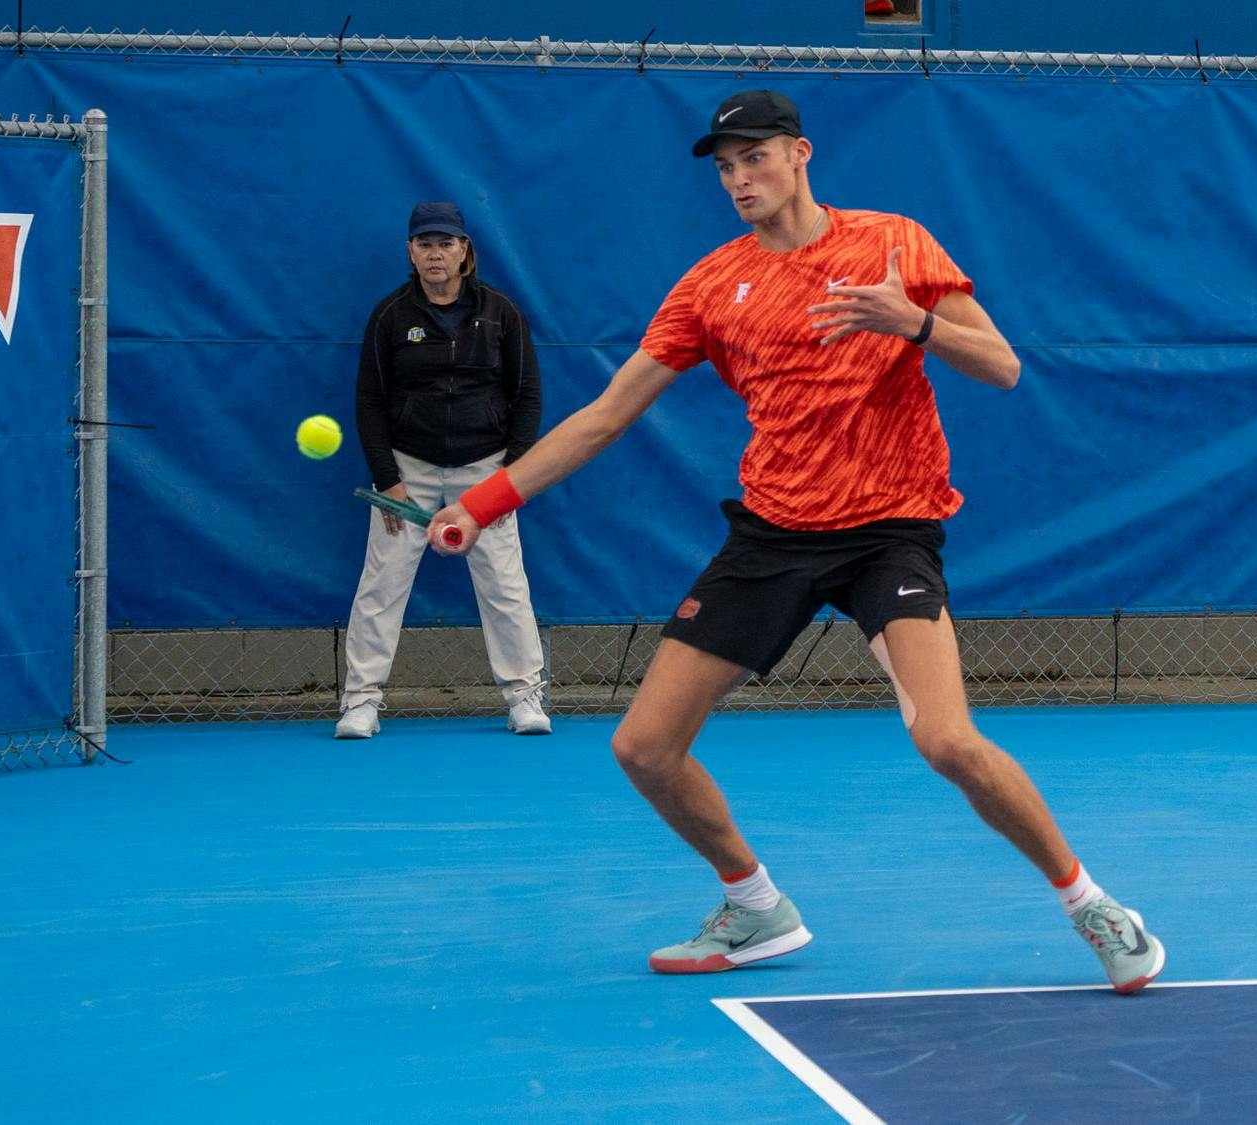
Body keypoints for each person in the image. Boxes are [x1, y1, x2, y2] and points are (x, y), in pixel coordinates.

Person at [426, 91, 1165, 993]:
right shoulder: (710, 285)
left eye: (756, 158)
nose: (739, 180)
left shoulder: (895, 243)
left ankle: (1092, 903)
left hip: (890, 529)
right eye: (726, 167)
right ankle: (756, 906)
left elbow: (1003, 366)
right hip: (773, 532)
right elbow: (607, 417)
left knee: (946, 740)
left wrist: (914, 322)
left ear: (802, 154)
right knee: (644, 747)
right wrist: (486, 499)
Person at [337, 201, 550, 739]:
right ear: (410, 252)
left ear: (465, 252)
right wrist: (388, 477)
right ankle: (360, 701)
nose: (436, 253)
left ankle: (525, 696)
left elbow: (526, 395)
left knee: (505, 583)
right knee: (382, 583)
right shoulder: (390, 316)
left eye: (446, 244)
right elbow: (370, 400)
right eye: (425, 244)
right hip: (409, 470)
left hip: (486, 471)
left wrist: (511, 479)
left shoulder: (502, 313)